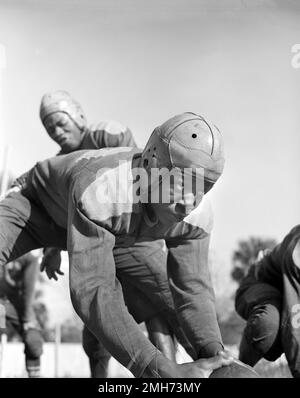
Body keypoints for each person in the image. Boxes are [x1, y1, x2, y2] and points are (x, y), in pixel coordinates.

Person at [0, 112, 232, 377]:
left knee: (162, 297)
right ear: (151, 163)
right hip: (36, 209)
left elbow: (193, 288)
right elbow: (94, 290)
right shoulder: (105, 189)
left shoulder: (197, 216)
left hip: (110, 230)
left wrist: (216, 355)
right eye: (183, 183)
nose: (189, 202)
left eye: (203, 187)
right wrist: (156, 369)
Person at [38, 90, 177, 375]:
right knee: (97, 326)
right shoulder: (61, 165)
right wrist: (51, 248)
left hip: (133, 238)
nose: (56, 131)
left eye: (60, 122)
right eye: (50, 127)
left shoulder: (106, 135)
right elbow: (62, 214)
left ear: (77, 117)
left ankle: (172, 377)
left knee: (157, 304)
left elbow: (138, 178)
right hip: (99, 250)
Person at [235, 225, 300, 377]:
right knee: (268, 326)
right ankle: (237, 369)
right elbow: (296, 324)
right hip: (261, 285)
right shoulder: (297, 253)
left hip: (289, 294)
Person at [0, 252, 43, 377]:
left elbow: (28, 289)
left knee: (33, 339)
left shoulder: (29, 256)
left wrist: (28, 318)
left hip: (18, 304)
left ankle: (34, 375)